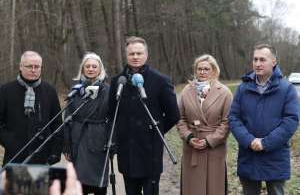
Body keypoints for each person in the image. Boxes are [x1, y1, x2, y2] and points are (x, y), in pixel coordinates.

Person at [108, 36, 180, 195]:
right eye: (131, 53)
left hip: (150, 151)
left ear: (146, 55)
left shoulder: (161, 81)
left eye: (139, 53)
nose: (135, 57)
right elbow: (112, 113)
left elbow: (173, 115)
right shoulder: (117, 82)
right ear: (126, 55)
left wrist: (155, 130)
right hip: (127, 152)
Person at [229, 44, 299, 195]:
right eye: (255, 59)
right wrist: (250, 140)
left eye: (262, 59)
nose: (258, 64)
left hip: (275, 156)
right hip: (249, 155)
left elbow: (291, 121)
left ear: (273, 62)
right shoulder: (243, 88)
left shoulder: (287, 89)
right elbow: (234, 118)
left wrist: (265, 143)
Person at [177, 54, 233, 195]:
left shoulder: (225, 93)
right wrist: (189, 137)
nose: (202, 72)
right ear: (195, 71)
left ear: (214, 71)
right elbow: (179, 118)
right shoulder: (186, 91)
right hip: (192, 147)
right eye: (199, 69)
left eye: (206, 69)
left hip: (214, 149)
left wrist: (209, 141)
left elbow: (227, 122)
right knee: (193, 188)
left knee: (214, 188)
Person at [0, 51, 62, 165]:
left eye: (37, 67)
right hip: (14, 156)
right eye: (29, 66)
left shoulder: (50, 91)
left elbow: (57, 124)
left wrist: (56, 151)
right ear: (21, 67)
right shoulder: (5, 90)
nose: (33, 70)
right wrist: (9, 142)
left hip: (43, 156)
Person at [64, 52, 109, 195]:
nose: (90, 69)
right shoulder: (75, 90)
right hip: (78, 138)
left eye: (94, 66)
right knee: (79, 184)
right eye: (87, 66)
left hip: (99, 139)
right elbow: (67, 118)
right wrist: (66, 145)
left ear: (100, 69)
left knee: (99, 183)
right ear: (82, 69)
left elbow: (114, 118)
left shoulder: (107, 90)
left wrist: (112, 144)